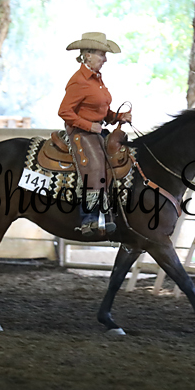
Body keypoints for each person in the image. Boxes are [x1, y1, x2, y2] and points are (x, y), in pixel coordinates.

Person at [58, 32, 133, 238]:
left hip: (96, 129)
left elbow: (101, 111)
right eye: (101, 54)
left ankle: (111, 211)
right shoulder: (79, 80)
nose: (105, 59)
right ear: (88, 55)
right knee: (95, 165)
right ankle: (89, 218)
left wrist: (118, 117)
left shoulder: (96, 79)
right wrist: (89, 126)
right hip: (81, 131)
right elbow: (64, 111)